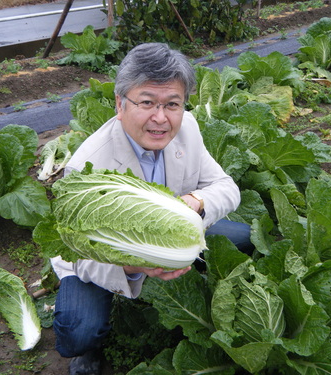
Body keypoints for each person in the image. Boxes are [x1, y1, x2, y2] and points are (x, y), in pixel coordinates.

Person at [50, 42, 251, 375]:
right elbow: (76, 251)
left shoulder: (188, 128)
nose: (161, 118)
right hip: (105, 258)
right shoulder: (86, 167)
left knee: (244, 237)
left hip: (177, 234)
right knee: (77, 331)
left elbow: (227, 188)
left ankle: (187, 276)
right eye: (146, 103)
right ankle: (88, 351)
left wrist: (196, 203)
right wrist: (131, 265)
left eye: (172, 104)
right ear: (120, 104)